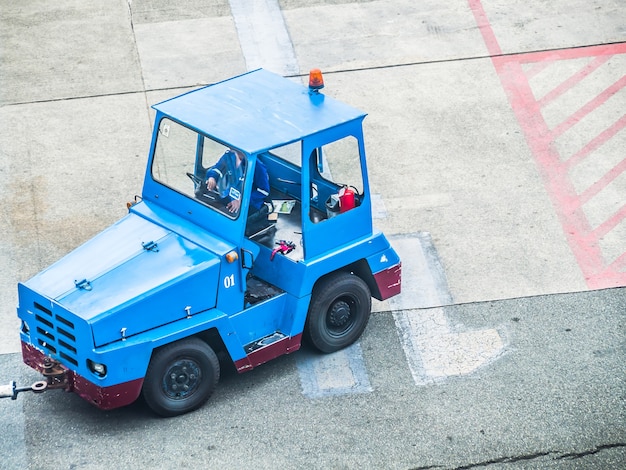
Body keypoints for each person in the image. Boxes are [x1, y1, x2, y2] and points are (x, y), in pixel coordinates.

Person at [205, 148, 271, 220]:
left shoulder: (257, 166)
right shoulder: (229, 156)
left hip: (249, 203)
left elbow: (264, 191)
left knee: (226, 218)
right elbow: (217, 168)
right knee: (207, 206)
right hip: (229, 196)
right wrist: (212, 177)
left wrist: (242, 200)